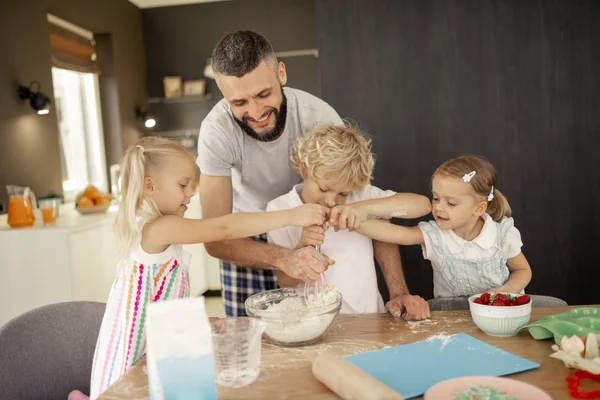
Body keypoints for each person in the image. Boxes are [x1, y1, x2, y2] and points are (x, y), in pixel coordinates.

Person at [197, 30, 430, 318]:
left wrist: (397, 291)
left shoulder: (319, 117)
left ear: (281, 73)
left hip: (311, 224)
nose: (255, 112)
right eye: (239, 103)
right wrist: (287, 258)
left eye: (263, 94)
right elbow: (216, 237)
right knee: (257, 346)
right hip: (243, 234)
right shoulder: (216, 131)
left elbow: (372, 212)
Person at [88, 137, 327, 399]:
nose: (191, 192)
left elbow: (154, 302)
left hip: (153, 354)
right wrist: (292, 215)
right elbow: (224, 228)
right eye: (182, 184)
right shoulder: (159, 228)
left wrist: (195, 322)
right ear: (149, 185)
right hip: (128, 366)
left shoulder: (156, 228)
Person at [267, 124, 432, 316]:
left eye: (343, 193)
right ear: (304, 169)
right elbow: (285, 283)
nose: (331, 200)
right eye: (323, 188)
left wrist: (362, 208)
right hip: (313, 325)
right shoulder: (280, 209)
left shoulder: (361, 196)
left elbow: (422, 205)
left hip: (368, 319)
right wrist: (303, 244)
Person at [351, 156, 533, 306]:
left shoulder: (501, 235)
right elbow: (394, 233)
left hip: (498, 315)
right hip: (450, 318)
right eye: (436, 198)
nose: (438, 208)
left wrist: (505, 291)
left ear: (479, 208)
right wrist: (350, 220)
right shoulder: (435, 234)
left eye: (451, 203)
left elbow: (523, 270)